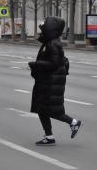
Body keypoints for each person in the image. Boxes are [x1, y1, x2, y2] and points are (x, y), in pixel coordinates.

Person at [29, 17, 84, 146]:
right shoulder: (50, 42)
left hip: (51, 83)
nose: (41, 33)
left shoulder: (52, 44)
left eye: (43, 30)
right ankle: (49, 136)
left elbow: (54, 63)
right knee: (41, 110)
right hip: (46, 81)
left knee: (53, 110)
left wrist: (35, 64)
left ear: (50, 30)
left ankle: (73, 123)